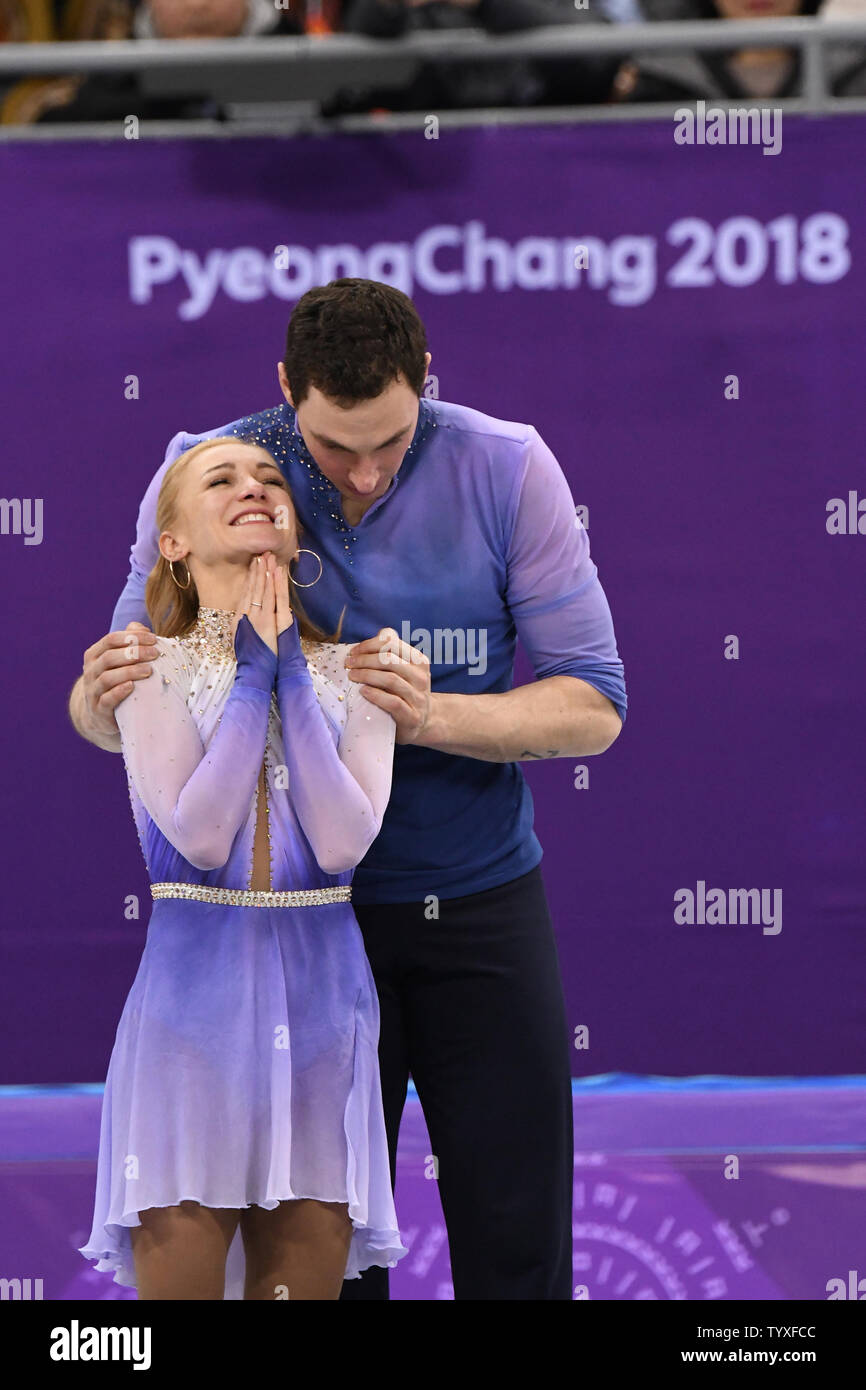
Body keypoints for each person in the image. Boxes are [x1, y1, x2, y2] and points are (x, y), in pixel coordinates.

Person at [69, 278, 627, 1300]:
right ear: (287, 393)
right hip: (302, 940)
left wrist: (426, 714)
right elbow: (117, 685)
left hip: (474, 901)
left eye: (391, 442)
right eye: (332, 450)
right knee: (321, 1276)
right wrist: (102, 700)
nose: (364, 473)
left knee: (516, 1239)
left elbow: (592, 705)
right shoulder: (222, 469)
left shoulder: (508, 465)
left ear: (427, 384)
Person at [77, 434, 407, 1299]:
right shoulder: (147, 666)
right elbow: (202, 835)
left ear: (299, 539)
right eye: (219, 479)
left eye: (270, 479)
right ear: (172, 543)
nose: (253, 488)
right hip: (191, 1025)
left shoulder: (360, 674)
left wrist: (292, 671)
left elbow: (340, 845)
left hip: (326, 1022)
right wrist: (256, 675)